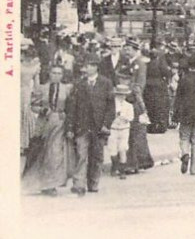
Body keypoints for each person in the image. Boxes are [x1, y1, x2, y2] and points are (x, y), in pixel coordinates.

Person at [64, 54, 116, 196]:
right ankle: (79, 184)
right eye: (85, 66)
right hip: (82, 126)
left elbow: (111, 107)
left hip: (99, 127)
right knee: (81, 155)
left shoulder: (106, 83)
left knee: (97, 156)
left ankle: (93, 183)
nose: (85, 69)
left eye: (87, 66)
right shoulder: (79, 84)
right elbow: (72, 108)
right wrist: (70, 127)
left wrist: (106, 124)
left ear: (95, 67)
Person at [25, 64, 75, 195]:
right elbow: (33, 105)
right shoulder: (42, 88)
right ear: (49, 74)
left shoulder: (67, 89)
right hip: (44, 123)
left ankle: (52, 183)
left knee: (55, 152)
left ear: (62, 76)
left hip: (59, 122)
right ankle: (42, 183)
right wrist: (42, 109)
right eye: (54, 73)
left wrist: (67, 117)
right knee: (42, 152)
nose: (56, 76)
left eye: (59, 73)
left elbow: (71, 107)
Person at [108, 80, 135, 179]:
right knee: (112, 149)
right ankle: (115, 164)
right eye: (120, 95)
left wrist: (125, 118)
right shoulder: (111, 105)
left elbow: (131, 117)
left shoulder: (128, 105)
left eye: (124, 95)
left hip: (124, 129)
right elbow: (107, 115)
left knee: (122, 148)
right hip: (113, 128)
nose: (122, 97)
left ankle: (122, 170)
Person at [143, 41, 171, 133]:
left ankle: (151, 125)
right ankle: (159, 125)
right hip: (159, 87)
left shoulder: (147, 64)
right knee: (159, 106)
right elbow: (166, 73)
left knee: (150, 106)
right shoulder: (160, 64)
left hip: (148, 86)